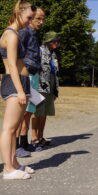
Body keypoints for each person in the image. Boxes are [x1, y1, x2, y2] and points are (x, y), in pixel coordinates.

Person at [0, 0, 36, 179]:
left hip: (20, 81)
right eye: (29, 17)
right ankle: (7, 169)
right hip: (15, 83)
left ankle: (14, 163)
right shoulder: (11, 34)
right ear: (19, 13)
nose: (30, 22)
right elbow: (13, 65)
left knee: (14, 129)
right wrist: (21, 90)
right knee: (8, 128)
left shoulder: (15, 34)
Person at [16, 7, 46, 157]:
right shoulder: (24, 32)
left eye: (43, 19)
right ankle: (16, 146)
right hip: (26, 75)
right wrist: (24, 71)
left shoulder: (34, 33)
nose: (41, 22)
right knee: (22, 113)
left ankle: (24, 142)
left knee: (29, 111)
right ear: (30, 17)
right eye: (38, 18)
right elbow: (16, 54)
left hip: (33, 75)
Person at [33, 31, 60, 146]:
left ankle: (41, 137)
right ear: (49, 41)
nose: (58, 43)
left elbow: (54, 72)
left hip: (50, 86)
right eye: (56, 41)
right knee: (37, 112)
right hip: (39, 86)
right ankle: (34, 138)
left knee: (45, 113)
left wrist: (55, 90)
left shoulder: (53, 54)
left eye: (58, 41)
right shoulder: (39, 51)